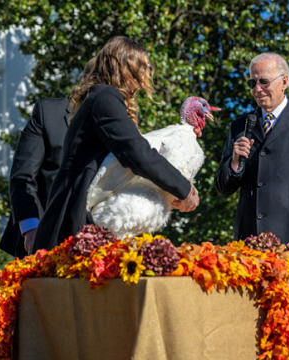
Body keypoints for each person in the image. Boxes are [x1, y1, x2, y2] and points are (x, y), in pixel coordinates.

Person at [32, 36, 199, 253]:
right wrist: (184, 188)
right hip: (73, 225)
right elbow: (137, 153)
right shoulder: (105, 97)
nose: (144, 78)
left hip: (76, 222)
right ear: (127, 66)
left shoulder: (102, 98)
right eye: (144, 68)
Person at [214, 52, 289, 244]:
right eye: (252, 83)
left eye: (264, 82)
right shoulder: (240, 126)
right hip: (248, 243)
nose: (257, 89)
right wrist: (235, 163)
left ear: (284, 81)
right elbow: (223, 187)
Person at [0, 57, 97, 258]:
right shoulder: (48, 112)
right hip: (43, 240)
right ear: (85, 79)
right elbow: (22, 177)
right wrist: (31, 229)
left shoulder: (120, 122)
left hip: (96, 242)